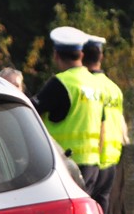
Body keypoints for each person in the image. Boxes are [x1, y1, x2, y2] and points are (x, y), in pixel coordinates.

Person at [32, 26, 106, 199]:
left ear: (56, 55)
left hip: (66, 164)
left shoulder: (61, 83)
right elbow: (103, 127)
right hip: (92, 164)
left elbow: (31, 112)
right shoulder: (96, 84)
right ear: (81, 54)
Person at [82, 34, 128, 214]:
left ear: (81, 55)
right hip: (112, 160)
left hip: (90, 159)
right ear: (101, 56)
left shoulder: (87, 86)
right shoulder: (114, 89)